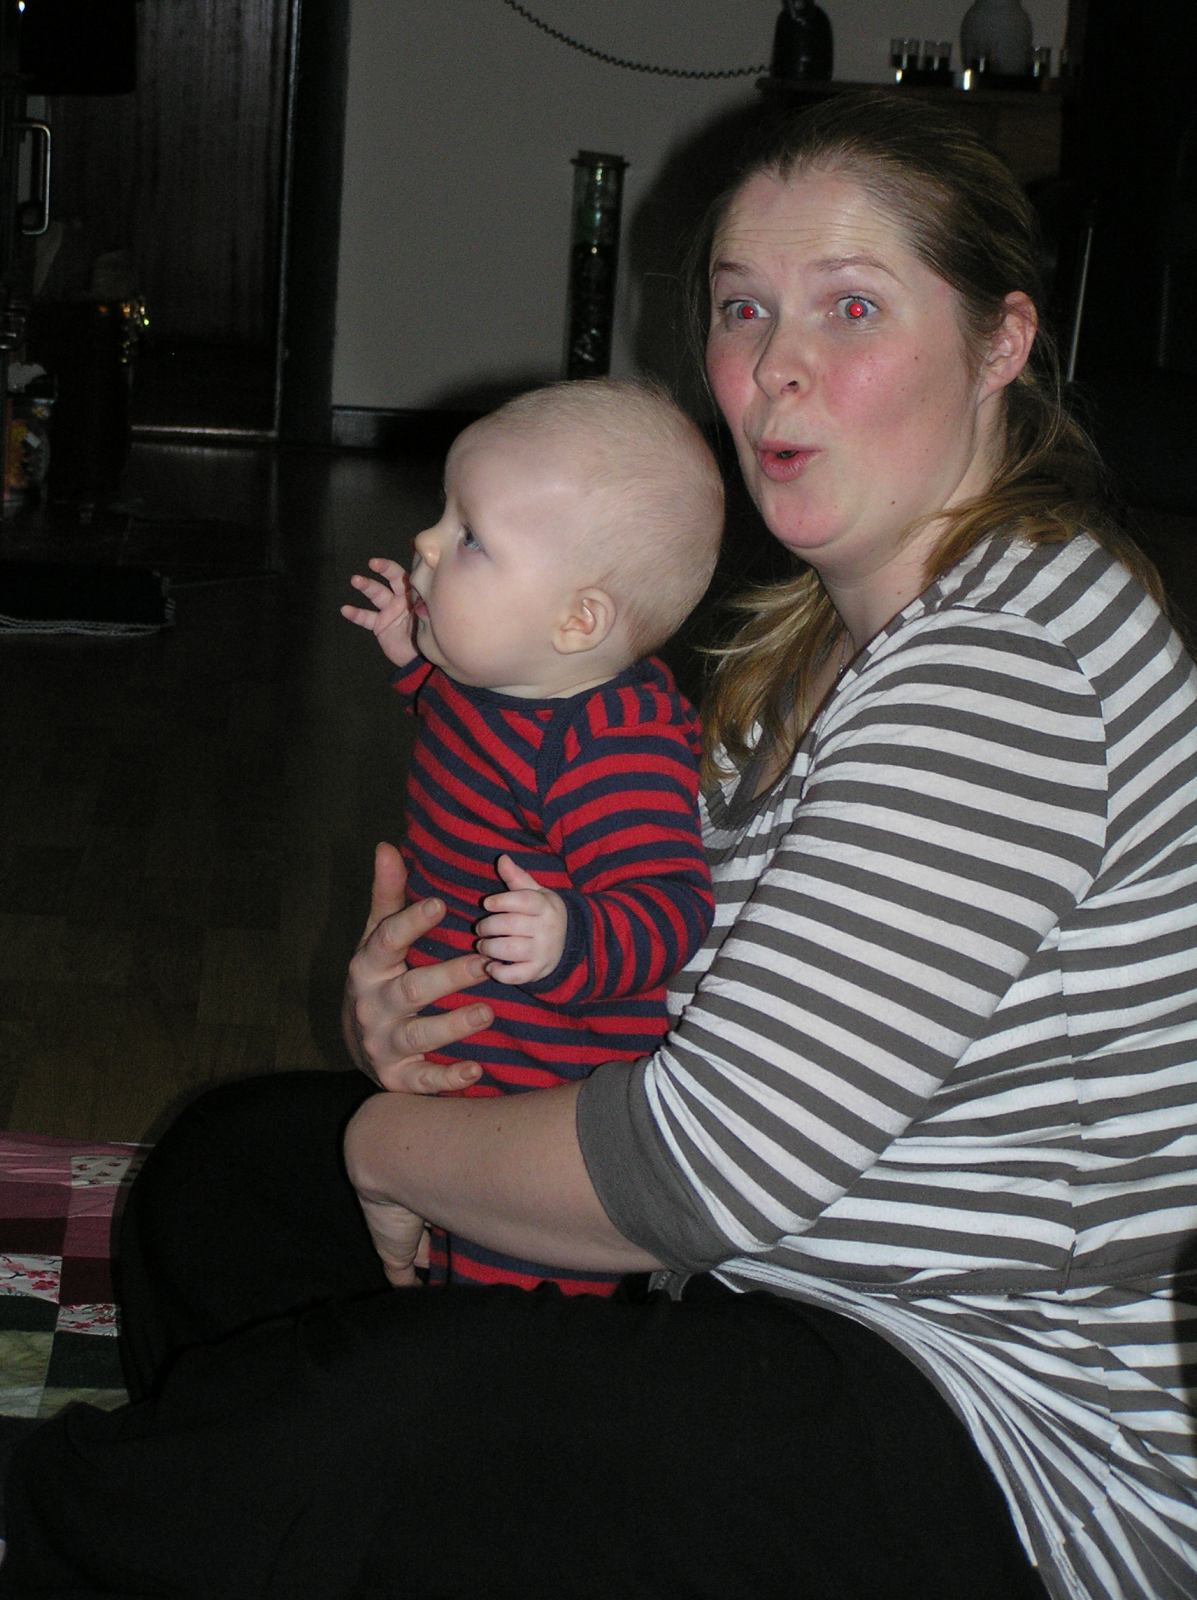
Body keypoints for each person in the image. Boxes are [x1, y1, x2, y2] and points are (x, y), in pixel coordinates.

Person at [2, 89, 1196, 1600]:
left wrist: (391, 1152)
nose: (775, 367)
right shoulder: (802, 646)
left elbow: (704, 1165)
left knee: (392, 1414)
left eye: (850, 307)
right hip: (738, 1297)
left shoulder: (1009, 663)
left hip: (991, 1447)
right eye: (742, 308)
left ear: (1001, 340)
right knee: (232, 1176)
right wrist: (428, 1023)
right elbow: (670, 990)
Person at [340, 378, 721, 1293]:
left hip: (544, 1089)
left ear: (577, 620)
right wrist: (413, 659)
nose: (427, 540)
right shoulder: (507, 683)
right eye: (444, 514)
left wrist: (570, 934)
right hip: (467, 1060)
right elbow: (471, 733)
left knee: (513, 1295)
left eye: (469, 537)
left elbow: (670, 905)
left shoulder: (610, 745)